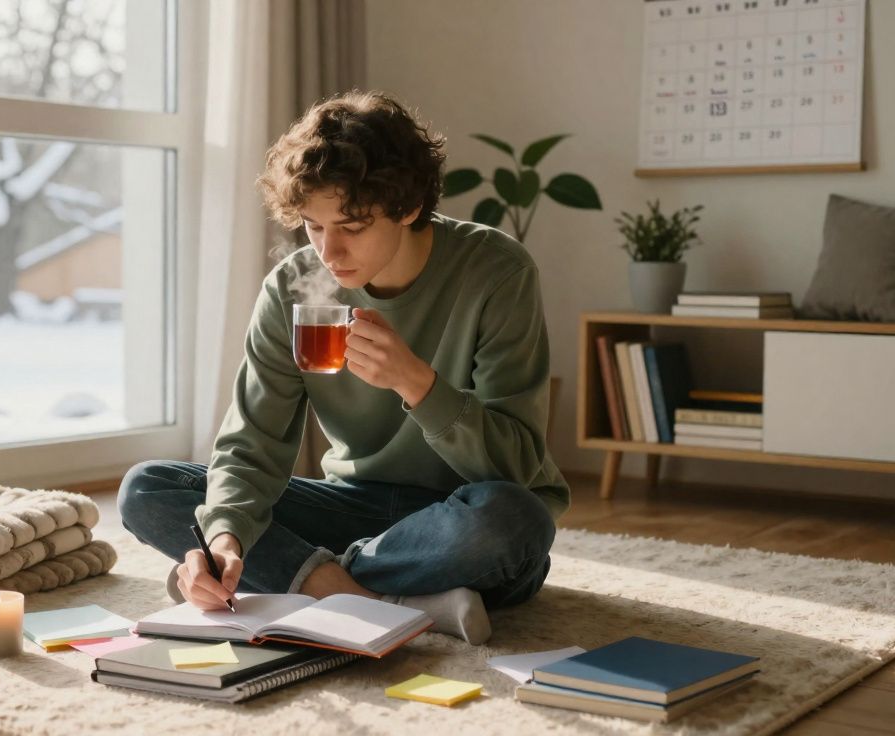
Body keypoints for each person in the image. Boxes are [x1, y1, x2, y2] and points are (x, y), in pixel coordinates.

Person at [117, 90, 569, 645]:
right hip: (354, 504)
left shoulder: (496, 272)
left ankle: (298, 580)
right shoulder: (293, 287)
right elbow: (251, 443)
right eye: (312, 226)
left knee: (515, 521)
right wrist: (229, 538)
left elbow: (517, 465)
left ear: (406, 207)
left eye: (351, 226)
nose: (328, 253)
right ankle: (376, 598)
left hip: (459, 513)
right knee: (149, 488)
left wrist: (416, 383)